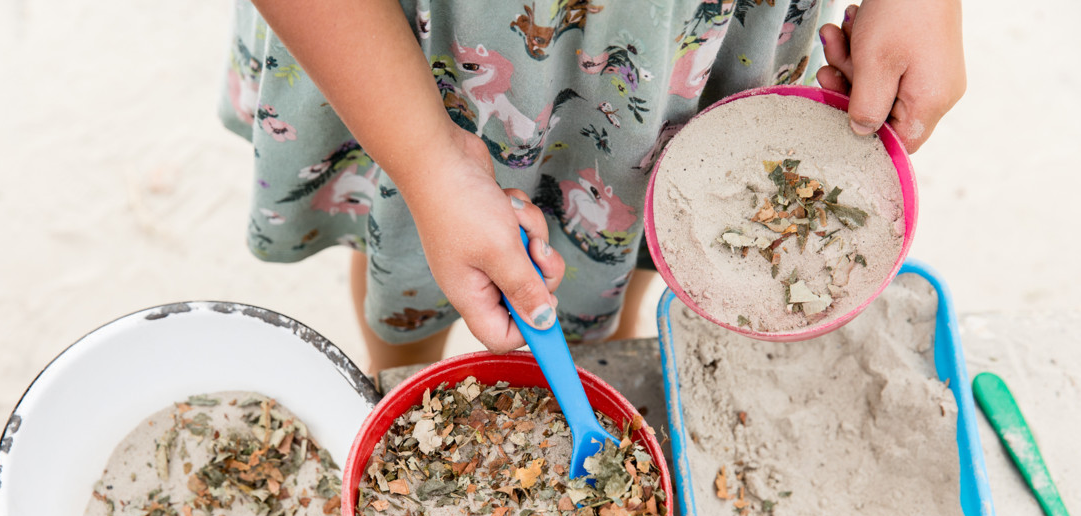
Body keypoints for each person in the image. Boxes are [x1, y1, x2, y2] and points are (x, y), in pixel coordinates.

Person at [219, 0, 964, 373]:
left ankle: (602, 351)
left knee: (641, 212)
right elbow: (422, 172)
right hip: (424, 39)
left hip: (684, 35)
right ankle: (399, 380)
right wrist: (427, 162)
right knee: (416, 232)